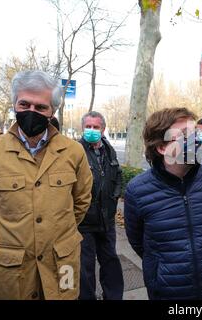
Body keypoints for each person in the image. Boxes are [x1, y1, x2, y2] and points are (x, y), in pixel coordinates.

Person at [0, 70, 93, 300]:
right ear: (14, 104)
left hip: (63, 264)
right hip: (10, 269)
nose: (31, 112)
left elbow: (82, 200)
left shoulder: (73, 152)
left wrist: (55, 230)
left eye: (40, 107)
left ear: (53, 111)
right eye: (24, 104)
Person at [124, 107, 202, 300]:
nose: (195, 140)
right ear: (161, 147)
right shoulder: (137, 190)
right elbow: (139, 242)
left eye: (195, 133)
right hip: (169, 294)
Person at [78, 111, 124, 300]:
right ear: (82, 128)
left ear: (103, 129)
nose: (91, 130)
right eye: (88, 126)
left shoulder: (109, 149)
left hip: (107, 220)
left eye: (96, 127)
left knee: (111, 262)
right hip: (84, 223)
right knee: (84, 268)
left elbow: (117, 176)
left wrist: (115, 198)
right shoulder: (76, 150)